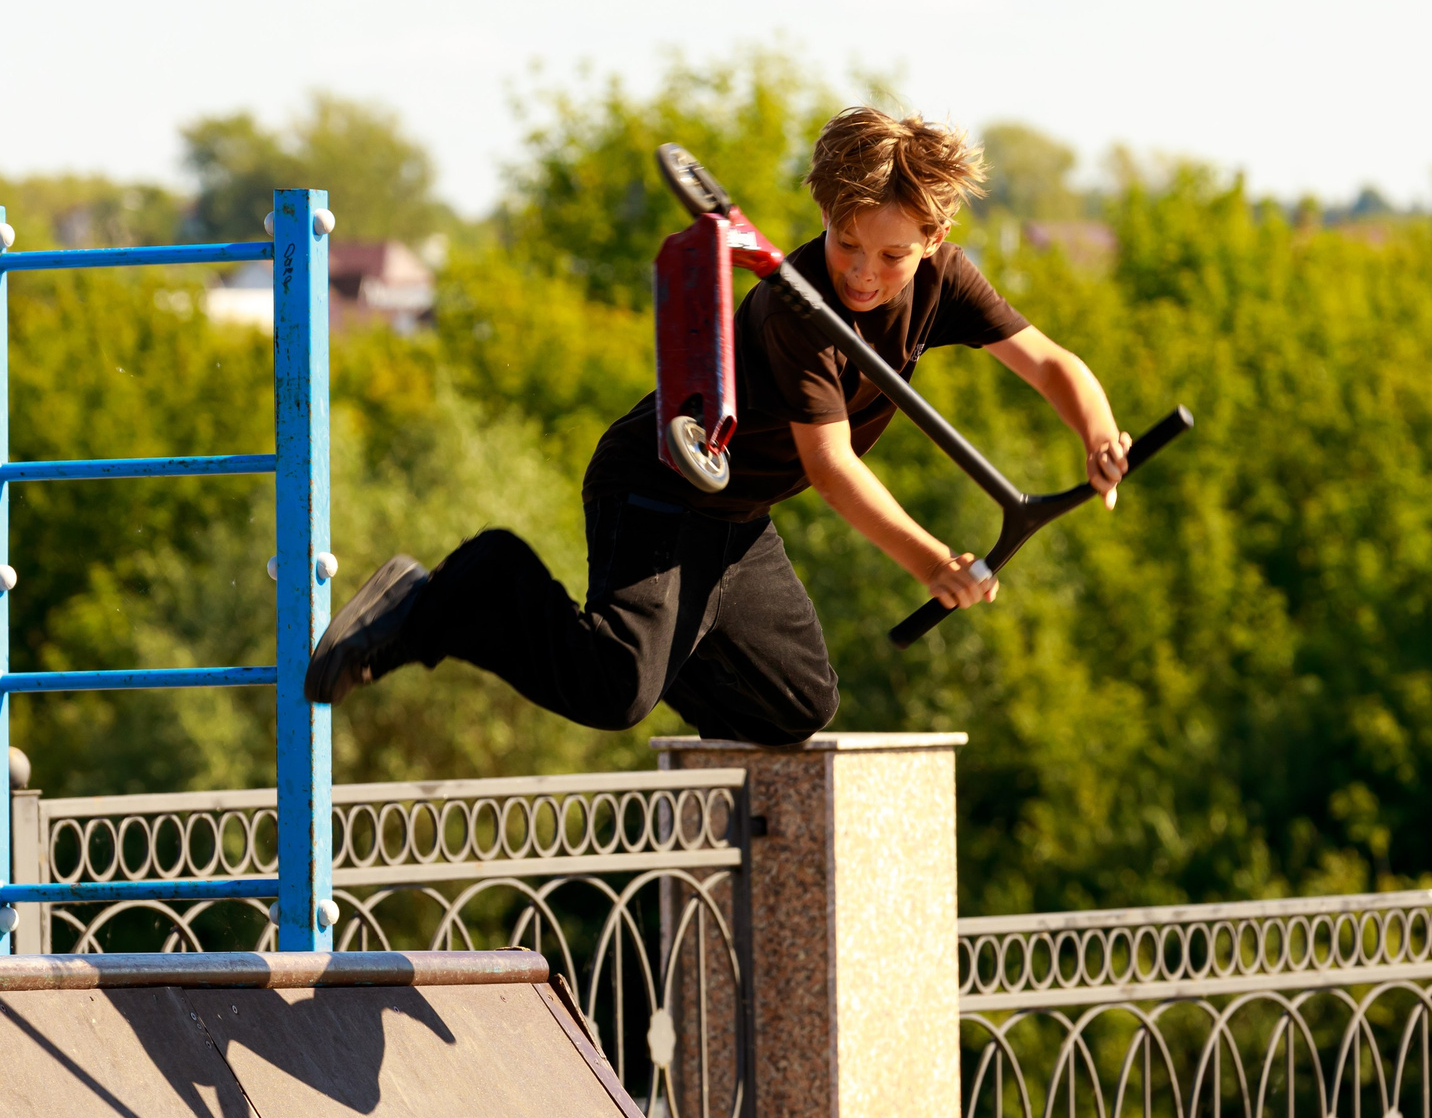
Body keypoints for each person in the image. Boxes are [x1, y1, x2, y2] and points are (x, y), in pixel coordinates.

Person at [304, 106, 1131, 744]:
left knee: (795, 704)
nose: (864, 272)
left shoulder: (945, 280)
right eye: (848, 244)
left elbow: (1051, 362)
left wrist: (1097, 432)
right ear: (825, 216)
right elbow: (835, 468)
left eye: (891, 256)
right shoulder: (796, 307)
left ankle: (663, 653)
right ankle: (467, 587)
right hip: (660, 484)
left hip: (737, 517)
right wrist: (930, 560)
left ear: (933, 238)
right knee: (614, 689)